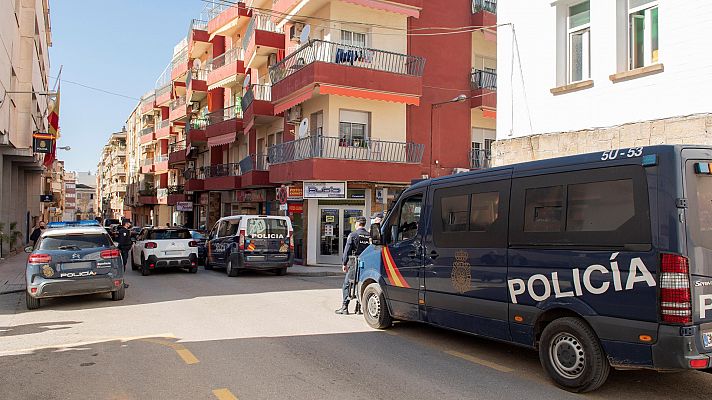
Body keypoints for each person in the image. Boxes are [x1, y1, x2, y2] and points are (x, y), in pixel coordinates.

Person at [335, 216, 371, 315]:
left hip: (355, 263)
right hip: (366, 263)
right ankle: (358, 308)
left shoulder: (353, 235)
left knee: (347, 285)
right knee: (360, 283)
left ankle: (345, 307)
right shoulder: (369, 235)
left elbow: (347, 250)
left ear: (358, 224)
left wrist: (344, 263)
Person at [116, 220, 133, 288]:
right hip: (123, 250)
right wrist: (122, 249)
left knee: (123, 266)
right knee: (122, 266)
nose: (130, 224)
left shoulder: (124, 231)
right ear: (126, 224)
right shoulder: (123, 231)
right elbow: (121, 241)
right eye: (129, 223)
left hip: (124, 250)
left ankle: (122, 282)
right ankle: (121, 283)